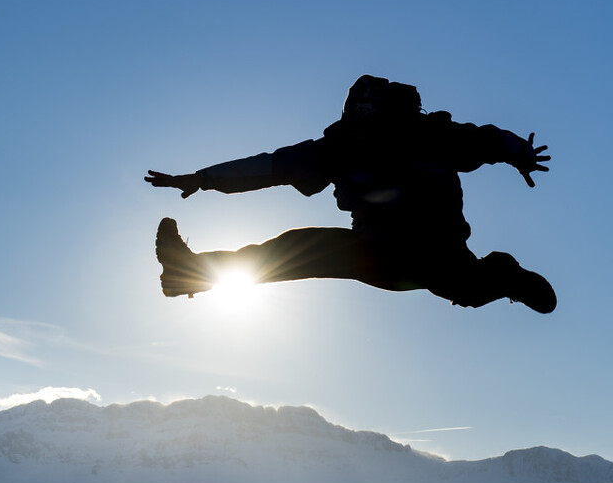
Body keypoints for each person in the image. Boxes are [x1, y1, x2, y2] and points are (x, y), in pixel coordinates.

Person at [145, 75, 556, 313]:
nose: (361, 131)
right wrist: (202, 178)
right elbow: (269, 167)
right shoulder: (336, 150)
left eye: (369, 122)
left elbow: (487, 140)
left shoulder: (435, 137)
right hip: (378, 254)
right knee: (299, 247)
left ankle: (507, 277)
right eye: (355, 121)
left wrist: (520, 152)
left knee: (469, 287)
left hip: (439, 254)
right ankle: (188, 272)